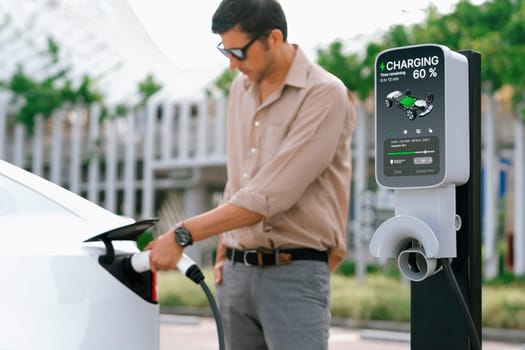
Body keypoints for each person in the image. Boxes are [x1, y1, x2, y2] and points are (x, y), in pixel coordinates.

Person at [146, 0, 356, 348]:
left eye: (239, 53)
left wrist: (182, 234)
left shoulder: (324, 94)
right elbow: (239, 181)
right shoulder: (239, 91)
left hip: (294, 272)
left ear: (274, 38)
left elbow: (271, 195)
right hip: (236, 274)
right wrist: (223, 256)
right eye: (225, 52)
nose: (231, 64)